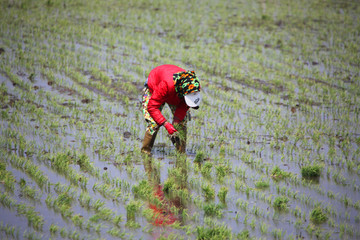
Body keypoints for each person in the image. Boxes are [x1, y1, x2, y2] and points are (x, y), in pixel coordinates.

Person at [141, 64, 201, 154]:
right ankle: (145, 152)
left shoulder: (193, 86)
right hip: (156, 86)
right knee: (153, 123)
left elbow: (184, 106)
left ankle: (181, 153)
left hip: (175, 92)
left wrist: (176, 122)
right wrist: (165, 123)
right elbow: (152, 107)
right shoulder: (165, 85)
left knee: (181, 122)